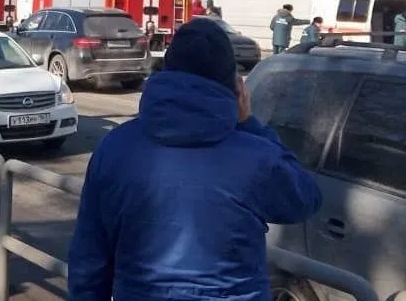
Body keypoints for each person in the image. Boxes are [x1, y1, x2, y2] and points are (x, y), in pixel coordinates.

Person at [68, 18, 322, 301]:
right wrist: (250, 123)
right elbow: (305, 199)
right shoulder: (257, 157)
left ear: (166, 71)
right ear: (234, 87)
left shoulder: (114, 148)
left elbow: (89, 258)